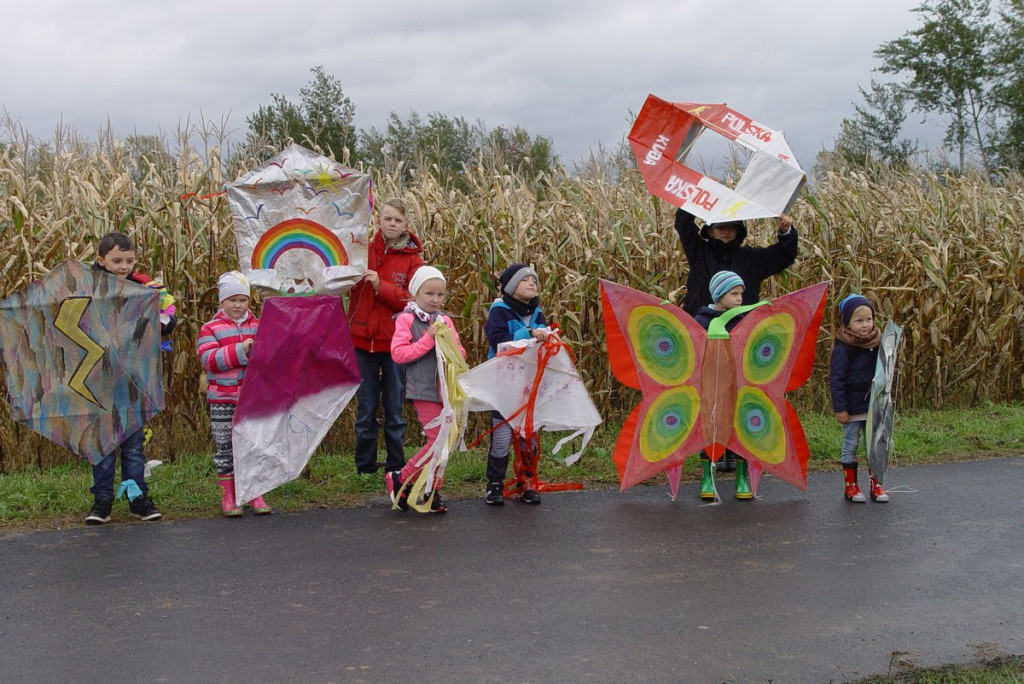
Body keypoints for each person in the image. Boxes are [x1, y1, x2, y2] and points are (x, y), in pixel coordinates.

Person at [675, 207, 797, 472]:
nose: (726, 231)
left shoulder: (751, 258)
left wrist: (785, 231)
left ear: (740, 229)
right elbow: (684, 225)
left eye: (731, 226)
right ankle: (712, 452)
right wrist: (690, 198)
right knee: (709, 396)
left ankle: (737, 451)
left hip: (742, 338)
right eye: (720, 226)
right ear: (709, 229)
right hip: (705, 335)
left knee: (740, 395)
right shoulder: (699, 252)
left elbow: (783, 256)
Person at [85, 232, 176, 525]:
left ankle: (138, 498)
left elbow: (167, 315)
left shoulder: (145, 287)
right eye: (117, 260)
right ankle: (102, 500)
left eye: (129, 260)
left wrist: (164, 321)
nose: (124, 266)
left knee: (133, 443)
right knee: (103, 443)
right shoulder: (87, 287)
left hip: (135, 377)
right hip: (99, 377)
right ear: (101, 260)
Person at [346, 198, 424, 476]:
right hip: (361, 342)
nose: (392, 224)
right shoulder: (361, 251)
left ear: (406, 225)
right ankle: (365, 468)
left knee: (394, 409)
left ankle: (396, 467)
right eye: (387, 218)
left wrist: (382, 286)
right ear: (378, 221)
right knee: (366, 409)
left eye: (397, 220)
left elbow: (414, 301)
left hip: (395, 345)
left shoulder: (414, 260)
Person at [385, 266, 465, 514]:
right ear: (415, 293)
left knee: (445, 443)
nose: (435, 300)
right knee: (435, 442)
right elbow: (399, 355)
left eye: (440, 295)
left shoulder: (445, 320)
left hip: (446, 390)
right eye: (429, 293)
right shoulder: (406, 319)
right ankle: (402, 477)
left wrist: (449, 342)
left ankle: (431, 489)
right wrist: (429, 339)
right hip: (423, 390)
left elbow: (459, 353)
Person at [196, 271, 272, 517]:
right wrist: (241, 350)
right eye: (232, 300)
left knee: (254, 446)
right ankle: (229, 497)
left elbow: (271, 357)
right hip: (223, 399)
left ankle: (254, 494)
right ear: (222, 301)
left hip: (253, 399)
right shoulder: (210, 329)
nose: (238, 305)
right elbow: (209, 360)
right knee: (226, 448)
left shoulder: (260, 325)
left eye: (243, 299)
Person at [482, 263, 550, 506]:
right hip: (503, 385)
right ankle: (494, 485)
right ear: (511, 286)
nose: (533, 283)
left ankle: (526, 482)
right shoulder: (499, 310)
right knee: (501, 438)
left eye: (534, 279)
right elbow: (499, 342)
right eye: (525, 280)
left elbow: (543, 341)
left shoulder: (537, 312)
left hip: (527, 385)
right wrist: (530, 333)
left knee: (528, 438)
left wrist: (547, 336)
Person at [693, 271, 753, 501]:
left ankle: (741, 477)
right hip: (711, 386)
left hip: (736, 385)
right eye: (734, 293)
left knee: (739, 428)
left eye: (741, 294)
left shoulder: (742, 320)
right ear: (719, 295)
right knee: (710, 427)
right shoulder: (702, 321)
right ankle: (708, 475)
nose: (740, 298)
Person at [829, 294, 888, 503]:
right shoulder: (844, 347)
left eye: (869, 319)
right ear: (848, 323)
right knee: (851, 444)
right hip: (853, 407)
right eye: (859, 321)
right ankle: (851, 486)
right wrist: (840, 408)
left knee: (874, 445)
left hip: (873, 404)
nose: (865, 325)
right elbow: (837, 380)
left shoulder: (879, 342)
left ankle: (877, 485)